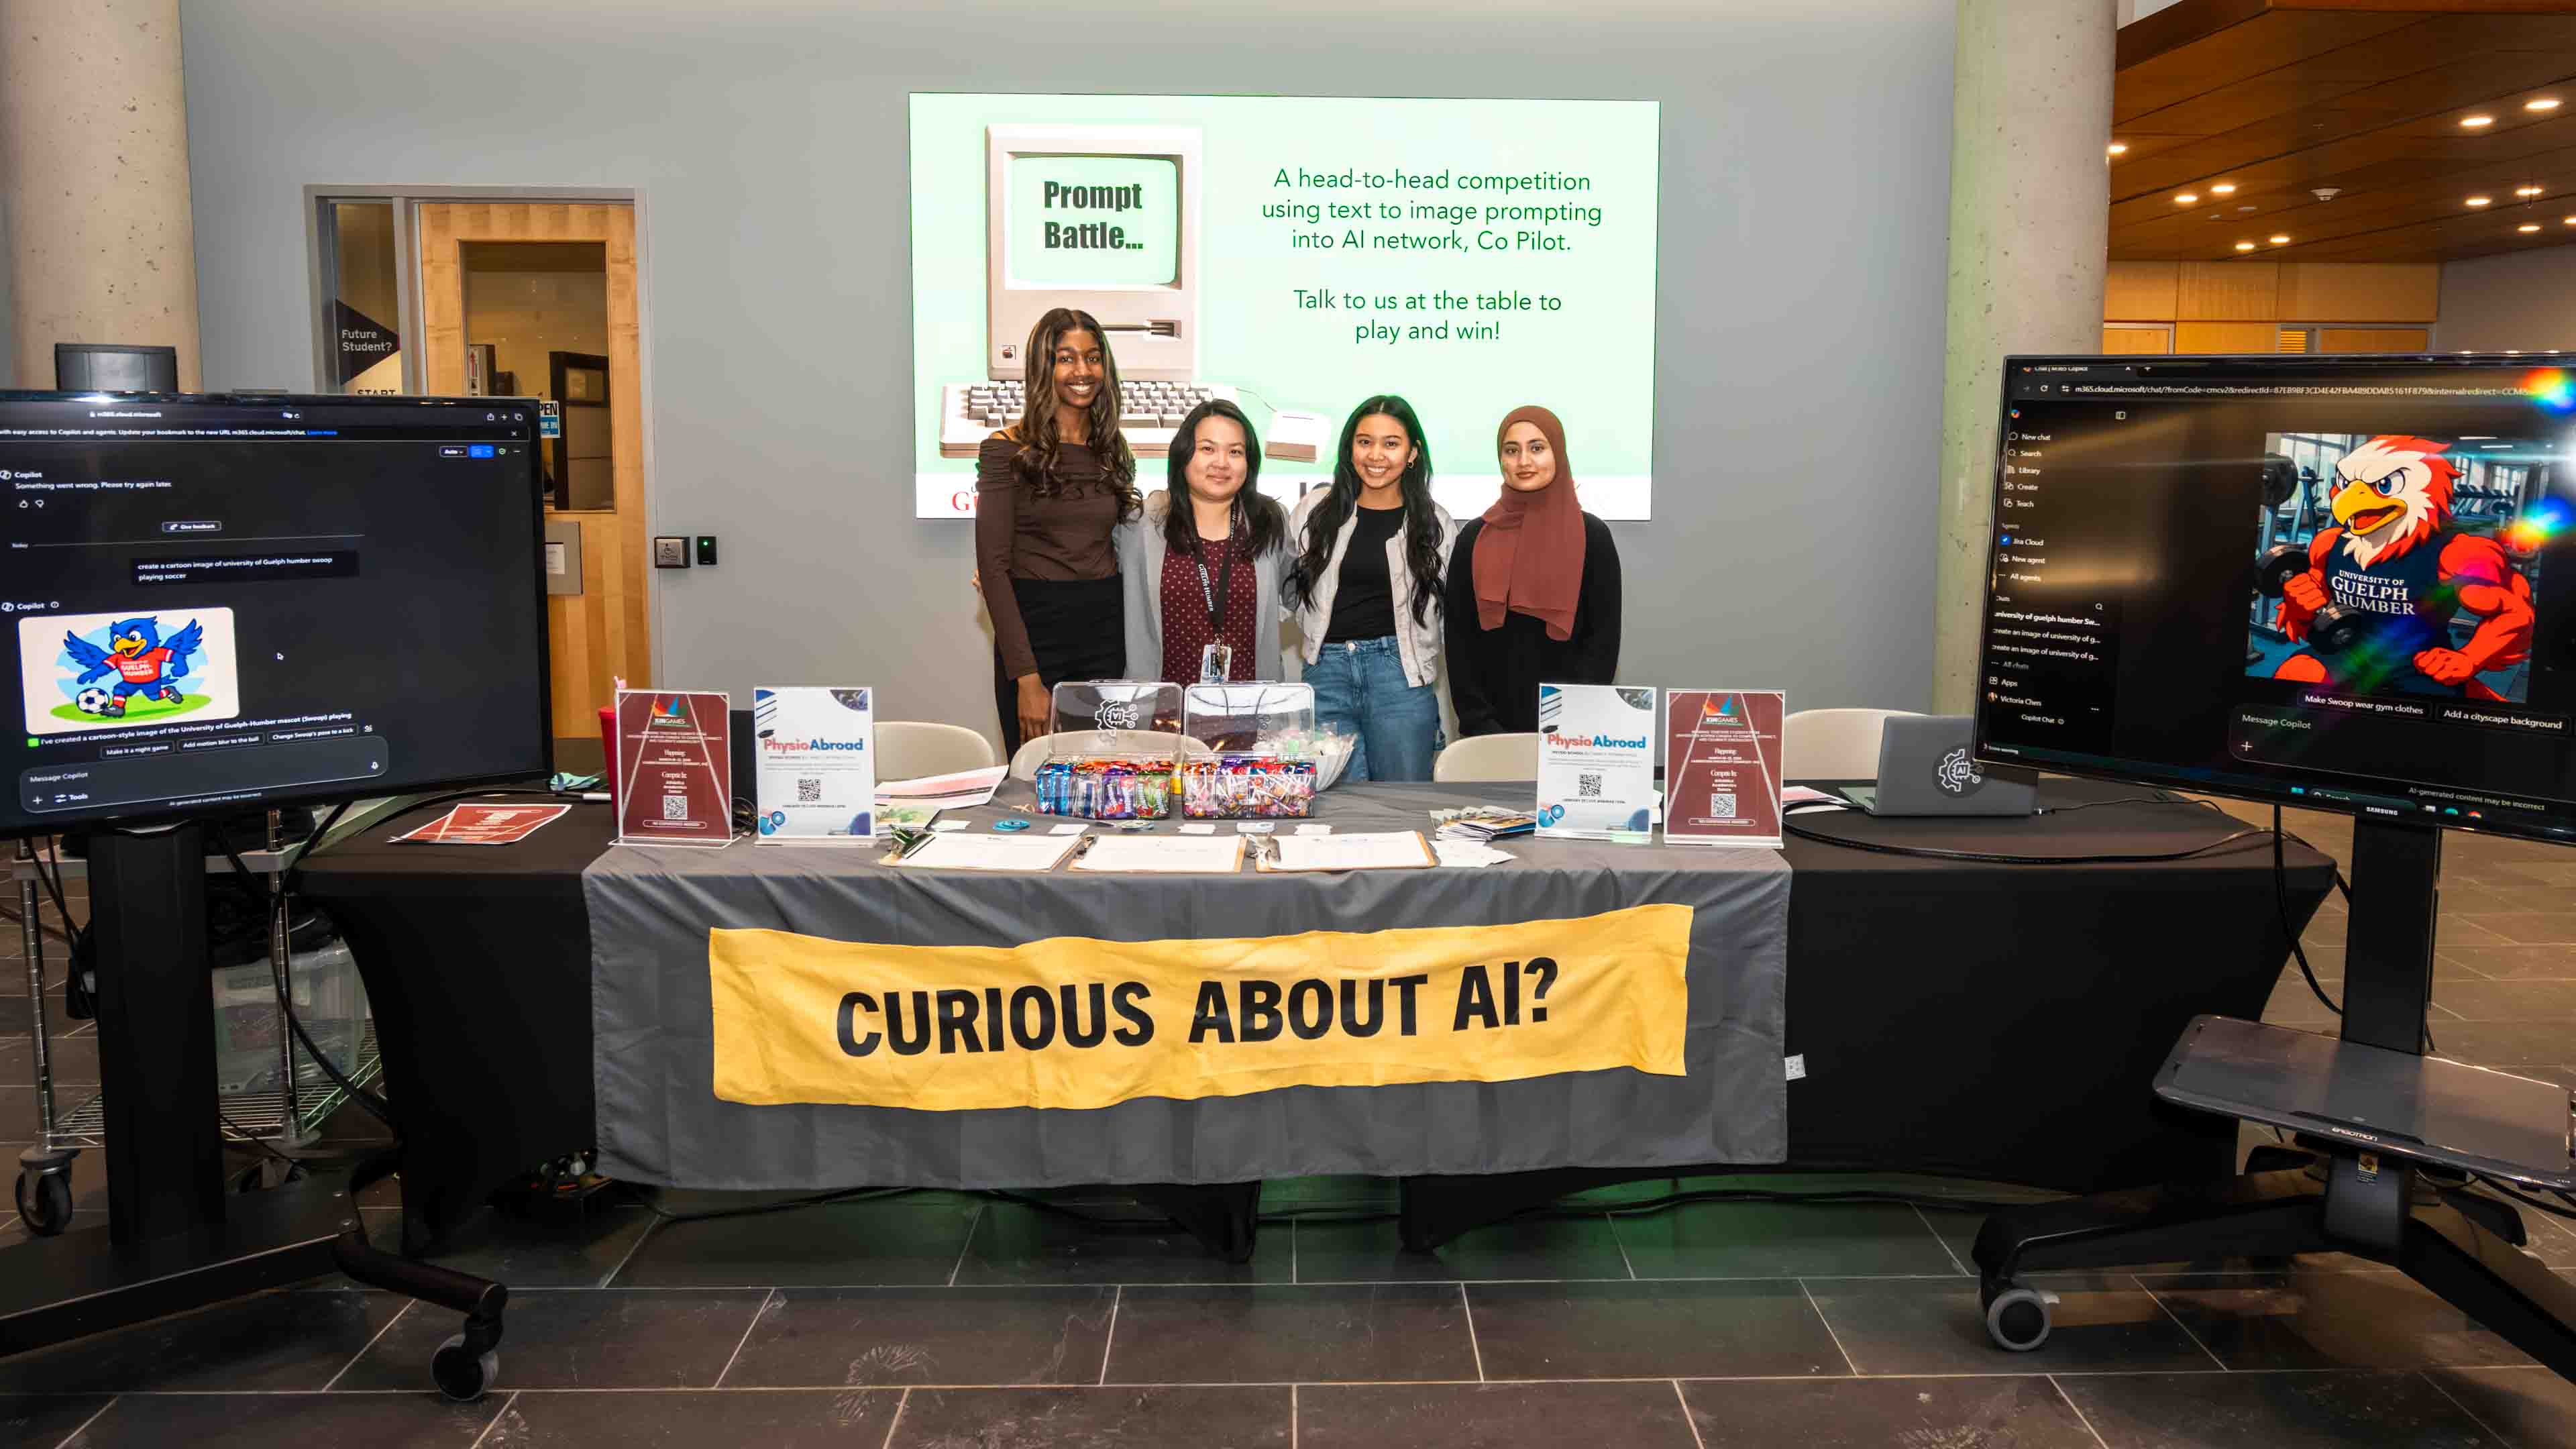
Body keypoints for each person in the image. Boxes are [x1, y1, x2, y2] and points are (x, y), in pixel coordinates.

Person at [975, 307, 1141, 757]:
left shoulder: (1112, 449)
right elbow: (992, 568)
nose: (1082, 370)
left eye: (1092, 357)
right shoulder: (1005, 450)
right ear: (1042, 367)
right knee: (1034, 783)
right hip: (1036, 635)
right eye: (1065, 358)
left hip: (1105, 634)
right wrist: (1027, 678)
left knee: (1105, 780)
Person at [1285, 396, 1454, 781]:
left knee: (1404, 807)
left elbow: (1448, 616)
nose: (1376, 455)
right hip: (1326, 673)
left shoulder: (1435, 524)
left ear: (1413, 453)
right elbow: (1286, 590)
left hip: (1400, 677)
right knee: (1336, 811)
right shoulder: (1314, 511)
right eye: (1365, 442)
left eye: (1391, 443)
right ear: (1350, 448)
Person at [1444, 405, 1621, 736]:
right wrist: (1481, 724)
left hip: (1573, 732)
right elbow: (1459, 641)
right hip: (1488, 732)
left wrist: (1569, 726)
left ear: (1558, 453)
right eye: (1512, 450)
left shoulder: (1593, 537)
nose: (1523, 461)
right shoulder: (1474, 537)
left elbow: (1602, 645)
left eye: (1537, 448)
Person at [1119, 399, 1291, 686]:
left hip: (1249, 712)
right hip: (1162, 715)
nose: (1221, 463)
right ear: (1184, 455)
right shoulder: (1141, 523)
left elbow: (1300, 592)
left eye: (1235, 452)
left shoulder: (1270, 522)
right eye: (1207, 449)